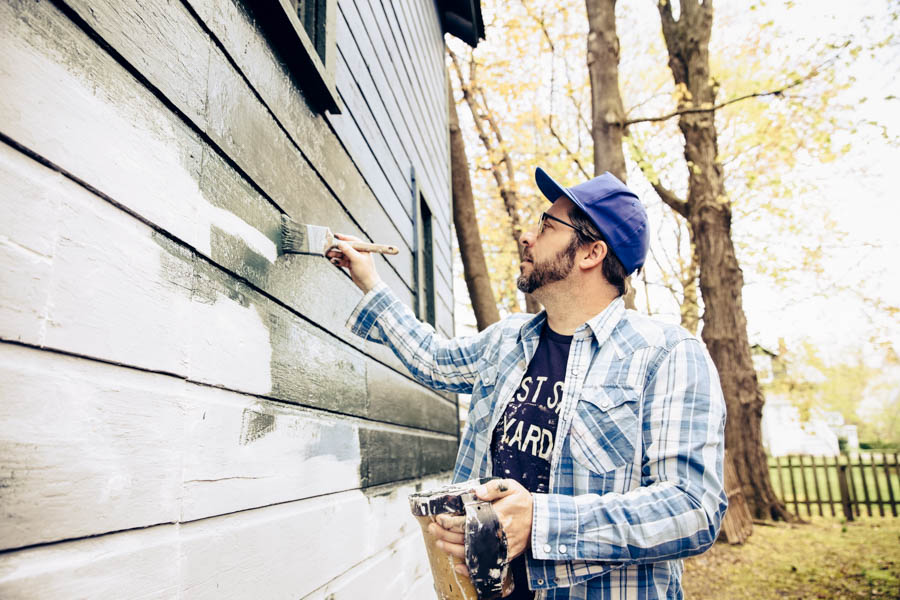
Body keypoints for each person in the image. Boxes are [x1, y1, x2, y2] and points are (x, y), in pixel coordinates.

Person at [327, 168, 728, 600]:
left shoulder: (667, 354)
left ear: (591, 253)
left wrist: (539, 519)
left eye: (547, 225)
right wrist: (368, 278)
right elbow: (433, 359)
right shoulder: (507, 340)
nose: (527, 237)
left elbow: (694, 508)